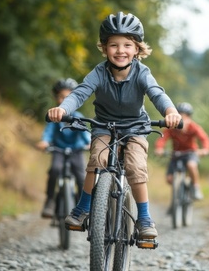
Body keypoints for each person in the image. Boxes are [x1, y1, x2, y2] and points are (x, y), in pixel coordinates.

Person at [46, 12, 182, 240]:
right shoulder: (99, 72)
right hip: (103, 126)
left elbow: (157, 94)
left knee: (135, 167)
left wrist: (171, 112)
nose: (120, 50)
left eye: (127, 45)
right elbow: (79, 93)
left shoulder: (142, 73)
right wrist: (63, 109)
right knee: (97, 159)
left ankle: (145, 217)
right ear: (104, 48)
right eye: (114, 45)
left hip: (135, 128)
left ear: (137, 49)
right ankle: (83, 208)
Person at [36, 78, 91, 218]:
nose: (63, 100)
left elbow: (85, 133)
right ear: (56, 98)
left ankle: (82, 204)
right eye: (61, 97)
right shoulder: (54, 117)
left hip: (76, 151)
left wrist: (90, 143)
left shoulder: (78, 117)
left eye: (67, 97)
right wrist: (45, 142)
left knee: (81, 176)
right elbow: (48, 133)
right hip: (59, 150)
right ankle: (49, 200)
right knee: (55, 169)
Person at [154, 102, 209, 200]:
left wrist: (205, 150)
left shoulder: (194, 127)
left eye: (185, 117)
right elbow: (162, 139)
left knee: (191, 165)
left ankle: (195, 187)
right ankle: (178, 193)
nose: (183, 119)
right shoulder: (172, 128)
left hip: (190, 153)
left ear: (189, 117)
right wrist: (159, 148)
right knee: (169, 179)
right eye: (180, 116)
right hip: (176, 154)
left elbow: (204, 139)